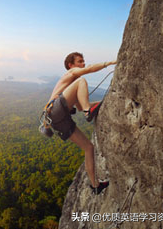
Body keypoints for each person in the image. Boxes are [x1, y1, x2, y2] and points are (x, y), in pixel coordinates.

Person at [47, 52, 116, 194]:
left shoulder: (72, 89)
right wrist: (109, 63)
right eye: (80, 61)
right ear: (70, 65)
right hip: (55, 110)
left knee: (89, 148)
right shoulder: (71, 74)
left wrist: (107, 101)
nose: (83, 64)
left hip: (57, 120)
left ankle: (95, 185)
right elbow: (89, 70)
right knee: (82, 80)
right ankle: (88, 112)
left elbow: (80, 106)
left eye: (83, 61)